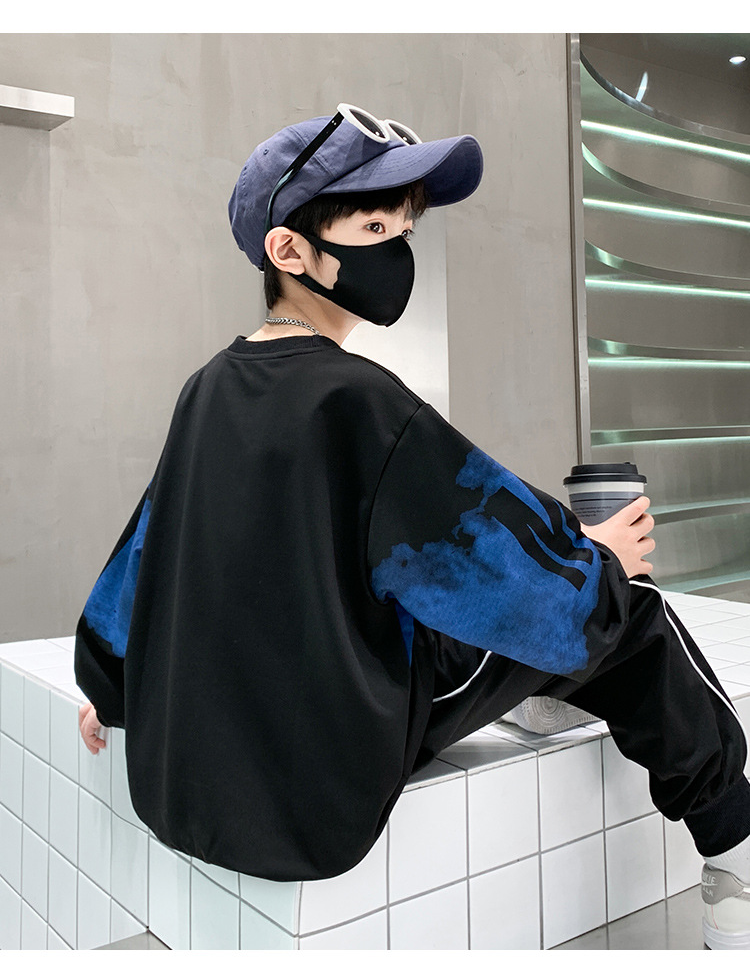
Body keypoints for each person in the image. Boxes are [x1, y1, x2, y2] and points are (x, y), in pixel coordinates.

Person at [75, 104, 750, 949]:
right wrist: (601, 560)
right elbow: (519, 576)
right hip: (319, 783)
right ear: (288, 251)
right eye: (372, 227)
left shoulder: (206, 388)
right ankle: (736, 856)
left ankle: (554, 692)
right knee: (631, 614)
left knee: (552, 592)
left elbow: (141, 558)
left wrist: (112, 689)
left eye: (402, 229)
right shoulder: (360, 401)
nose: (396, 250)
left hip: (183, 783)